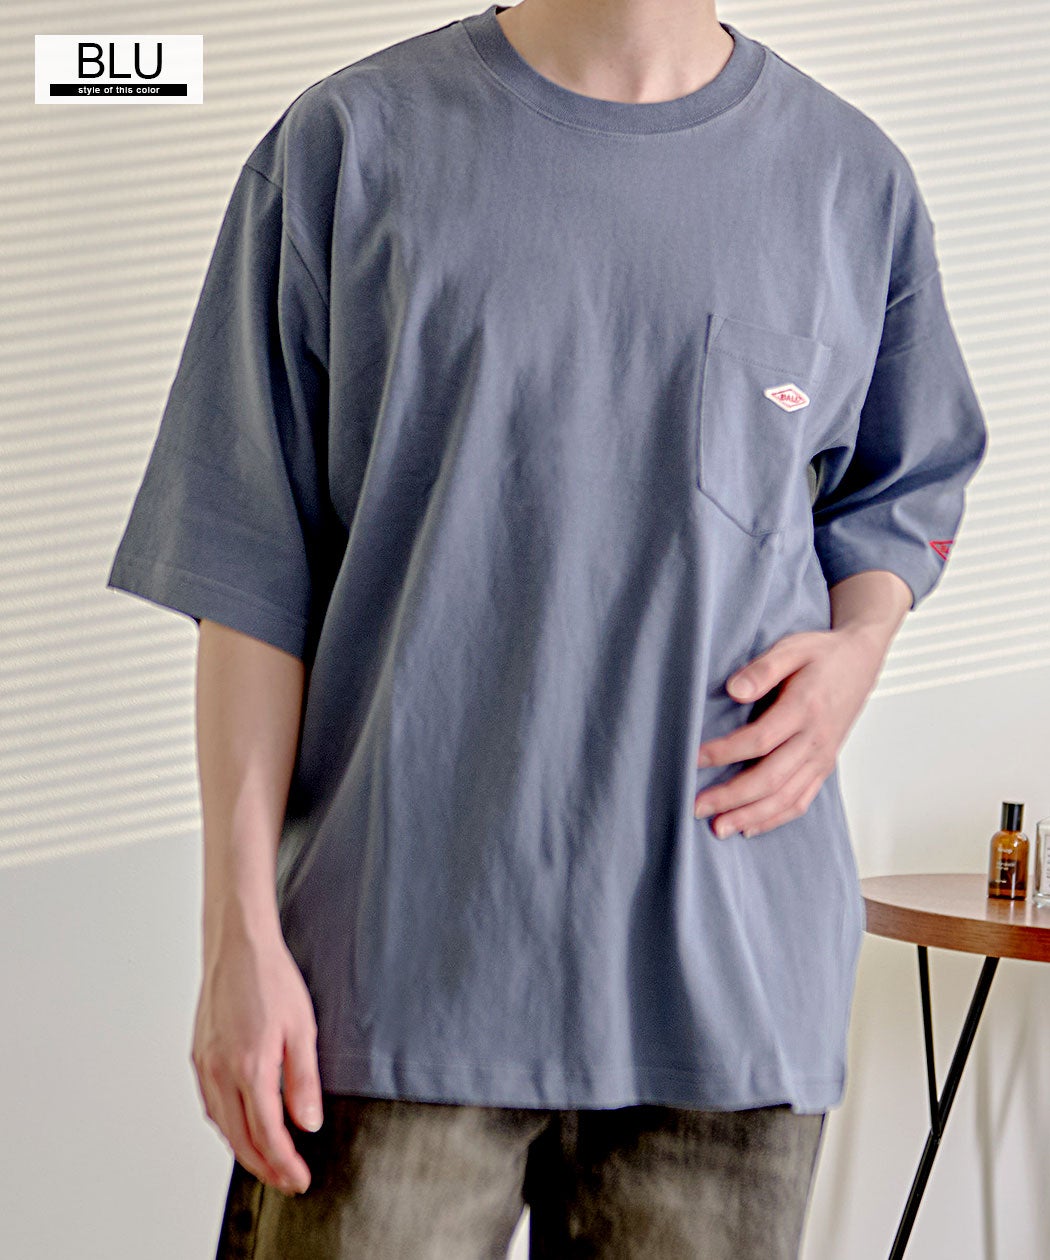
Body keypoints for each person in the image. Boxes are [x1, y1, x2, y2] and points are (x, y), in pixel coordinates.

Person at [106, 0, 988, 1255]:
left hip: (730, 994)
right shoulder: (350, 145)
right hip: (394, 980)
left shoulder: (850, 181)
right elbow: (246, 568)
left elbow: (905, 490)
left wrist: (861, 648)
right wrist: (235, 937)